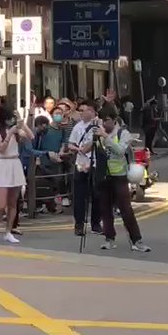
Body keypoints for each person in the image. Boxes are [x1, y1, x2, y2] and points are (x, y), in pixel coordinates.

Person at [92, 110, 152, 253]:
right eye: (102, 120)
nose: (104, 123)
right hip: (104, 175)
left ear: (114, 120)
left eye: (107, 120)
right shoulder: (98, 133)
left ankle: (136, 240)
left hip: (119, 176)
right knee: (105, 209)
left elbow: (120, 151)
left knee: (125, 209)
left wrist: (106, 137)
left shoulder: (123, 134)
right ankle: (109, 238)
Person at [0, 108, 31, 244]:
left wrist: (21, 121)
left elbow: (31, 136)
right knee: (1, 204)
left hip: (15, 163)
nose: (11, 120)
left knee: (13, 202)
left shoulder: (17, 130)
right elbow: (1, 148)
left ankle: (8, 231)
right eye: (10, 117)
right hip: (2, 164)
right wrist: (10, 134)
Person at [68, 101, 102, 236]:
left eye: (86, 110)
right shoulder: (77, 127)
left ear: (93, 112)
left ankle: (96, 223)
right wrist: (77, 149)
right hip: (81, 163)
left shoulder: (98, 126)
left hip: (94, 163)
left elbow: (97, 143)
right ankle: (79, 224)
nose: (83, 113)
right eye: (81, 110)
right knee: (80, 196)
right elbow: (70, 144)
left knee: (97, 195)